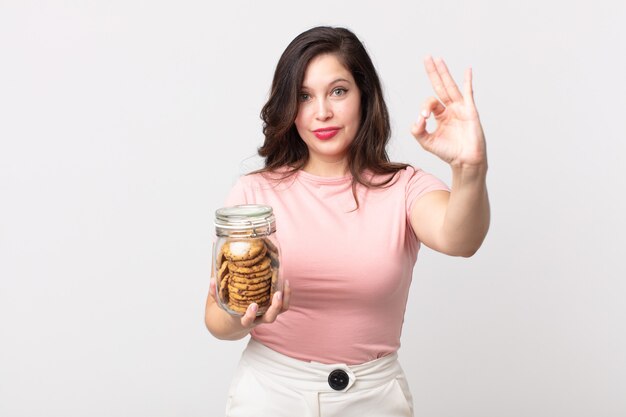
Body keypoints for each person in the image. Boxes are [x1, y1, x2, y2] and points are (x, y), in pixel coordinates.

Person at [205, 26, 490, 417]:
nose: (322, 111)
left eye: (338, 91)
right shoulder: (255, 195)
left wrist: (470, 169)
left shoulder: (405, 187)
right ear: (289, 106)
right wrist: (242, 316)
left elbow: (461, 240)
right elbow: (218, 319)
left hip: (374, 398)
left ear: (363, 96)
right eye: (304, 96)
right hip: (271, 395)